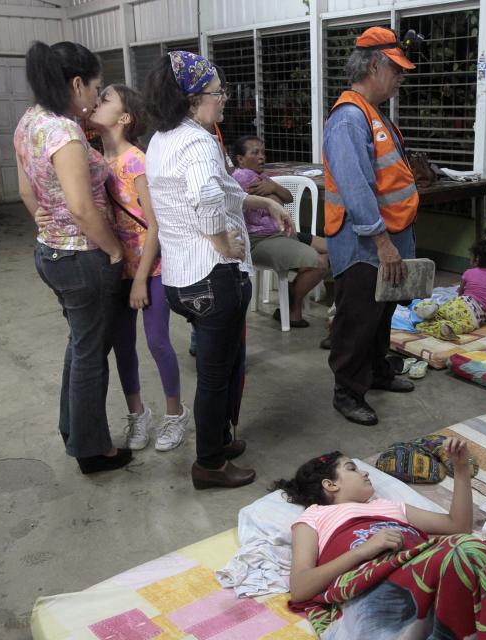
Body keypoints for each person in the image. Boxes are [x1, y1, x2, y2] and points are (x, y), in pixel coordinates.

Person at [143, 51, 292, 489]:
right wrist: (224, 243)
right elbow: (208, 200)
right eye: (216, 93)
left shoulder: (163, 139)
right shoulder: (197, 143)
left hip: (181, 279)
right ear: (192, 100)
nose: (223, 99)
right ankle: (208, 463)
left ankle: (219, 441)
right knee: (214, 376)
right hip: (211, 276)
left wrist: (263, 200)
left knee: (223, 367)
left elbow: (224, 189)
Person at [275, 440, 486, 639]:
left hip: (427, 574)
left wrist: (459, 470)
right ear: (330, 485)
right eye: (352, 469)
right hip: (378, 585)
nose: (366, 473)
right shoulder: (314, 517)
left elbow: (457, 526)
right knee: (469, 553)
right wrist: (367, 550)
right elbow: (302, 586)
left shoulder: (390, 507)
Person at [15, 41, 131, 474]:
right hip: (82, 258)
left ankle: (74, 430)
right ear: (77, 83)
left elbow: (28, 192)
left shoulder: (30, 122)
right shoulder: (63, 132)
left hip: (51, 252)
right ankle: (92, 449)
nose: (95, 98)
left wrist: (46, 223)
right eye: (95, 88)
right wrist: (115, 249)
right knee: (89, 354)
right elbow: (83, 208)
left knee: (80, 346)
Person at [322, 26, 420, 426]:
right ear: (375, 65)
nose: (401, 78)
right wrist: (382, 241)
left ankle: (377, 371)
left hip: (385, 238)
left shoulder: (373, 113)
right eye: (396, 70)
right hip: (364, 243)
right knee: (358, 318)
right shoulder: (349, 118)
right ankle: (347, 391)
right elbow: (356, 187)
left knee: (381, 314)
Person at [88, 84, 190, 452]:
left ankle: (175, 413)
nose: (97, 104)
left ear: (125, 117)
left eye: (106, 100)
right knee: (123, 346)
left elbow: (155, 223)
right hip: (116, 268)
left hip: (153, 267)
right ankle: (137, 415)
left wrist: (141, 279)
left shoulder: (136, 161)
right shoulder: (96, 160)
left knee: (157, 341)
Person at [232, 135, 328, 328]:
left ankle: (324, 306)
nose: (261, 157)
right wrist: (273, 194)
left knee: (332, 249)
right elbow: (278, 203)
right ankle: (293, 307)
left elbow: (288, 198)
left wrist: (273, 186)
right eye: (255, 153)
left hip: (282, 233)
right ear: (240, 159)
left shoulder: (261, 176)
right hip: (260, 239)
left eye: (263, 152)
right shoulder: (242, 177)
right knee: (320, 262)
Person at [414, 228, 486, 340]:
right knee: (461, 326)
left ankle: (430, 309)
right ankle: (446, 328)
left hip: (459, 303)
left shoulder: (468, 273)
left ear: (476, 259)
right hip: (475, 315)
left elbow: (461, 292)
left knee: (441, 312)